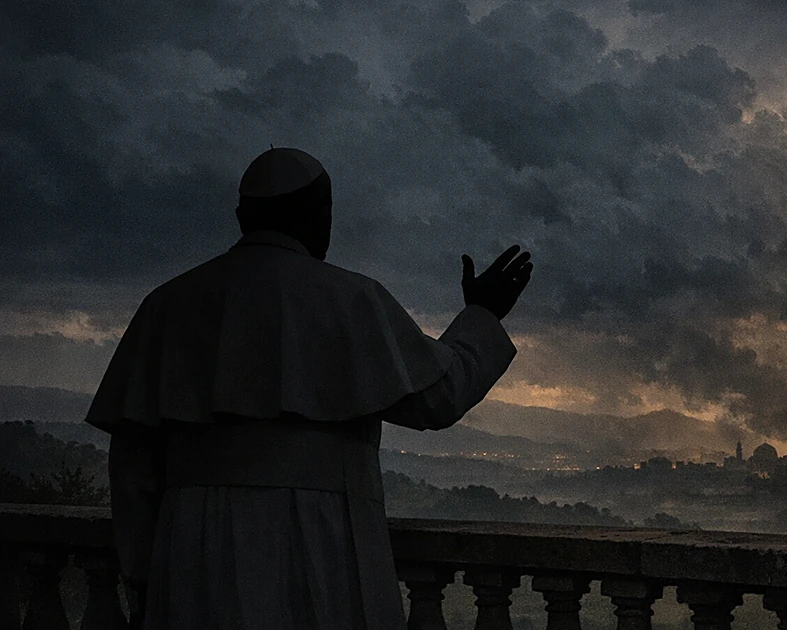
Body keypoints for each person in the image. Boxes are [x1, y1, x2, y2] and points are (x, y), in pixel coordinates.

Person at [84, 147, 533, 630]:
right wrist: (482, 315)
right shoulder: (352, 300)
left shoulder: (167, 306)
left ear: (242, 216)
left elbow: (132, 465)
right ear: (321, 217)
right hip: (326, 543)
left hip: (194, 550)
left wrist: (143, 577)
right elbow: (439, 396)